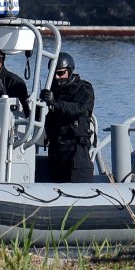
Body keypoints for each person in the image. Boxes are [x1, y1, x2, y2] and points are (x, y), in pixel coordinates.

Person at [44, 52, 96, 182]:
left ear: (70, 71)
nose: (57, 77)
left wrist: (54, 103)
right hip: (56, 148)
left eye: (61, 73)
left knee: (78, 186)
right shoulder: (51, 90)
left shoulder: (84, 88)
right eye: (53, 73)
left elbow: (79, 108)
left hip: (76, 149)